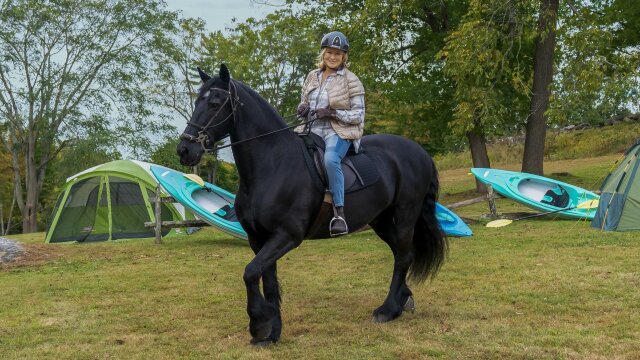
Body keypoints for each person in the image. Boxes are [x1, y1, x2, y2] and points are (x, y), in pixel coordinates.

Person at [296, 31, 365, 236]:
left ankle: (339, 214)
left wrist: (333, 113)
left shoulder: (351, 80)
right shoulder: (312, 76)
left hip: (339, 131)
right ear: (323, 54)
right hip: (311, 128)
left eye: (338, 53)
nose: (333, 57)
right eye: (329, 52)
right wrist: (303, 109)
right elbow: (304, 102)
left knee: (330, 159)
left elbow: (358, 115)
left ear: (344, 57)